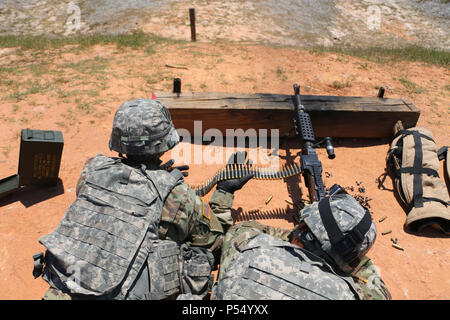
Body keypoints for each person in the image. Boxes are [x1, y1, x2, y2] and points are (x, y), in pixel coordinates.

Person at [33, 99, 253, 300]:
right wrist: (224, 191)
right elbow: (215, 244)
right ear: (166, 140)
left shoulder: (92, 170)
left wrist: (151, 177)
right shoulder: (181, 197)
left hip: (65, 289)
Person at [212, 193, 392, 300]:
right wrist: (343, 255)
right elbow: (377, 287)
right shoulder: (350, 295)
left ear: (303, 226)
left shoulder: (247, 245)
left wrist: (299, 235)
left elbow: (251, 228)